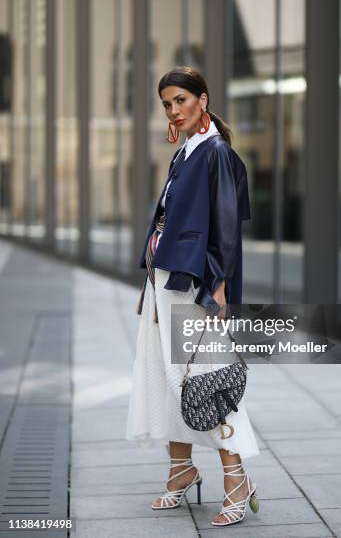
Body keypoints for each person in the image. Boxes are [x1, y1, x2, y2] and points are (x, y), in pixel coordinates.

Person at [125, 66, 260, 527]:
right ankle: (181, 470)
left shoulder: (216, 152)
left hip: (197, 286)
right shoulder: (187, 152)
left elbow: (226, 225)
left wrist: (218, 286)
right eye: (166, 103)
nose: (173, 109)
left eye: (181, 100)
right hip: (165, 281)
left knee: (209, 380)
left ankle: (236, 479)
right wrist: (151, 286)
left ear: (202, 99)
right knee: (167, 377)